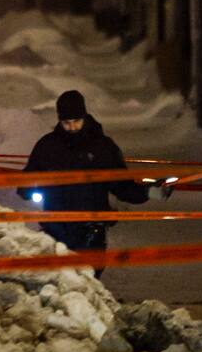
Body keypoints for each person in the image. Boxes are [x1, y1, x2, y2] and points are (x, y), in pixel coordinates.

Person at [17, 90, 169, 277]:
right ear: (59, 120)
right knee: (57, 283)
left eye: (76, 121)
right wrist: (28, 187)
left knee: (87, 282)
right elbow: (28, 179)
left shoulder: (102, 148)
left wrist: (148, 191)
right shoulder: (47, 147)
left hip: (90, 234)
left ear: (85, 116)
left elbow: (121, 185)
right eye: (66, 123)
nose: (72, 127)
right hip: (55, 233)